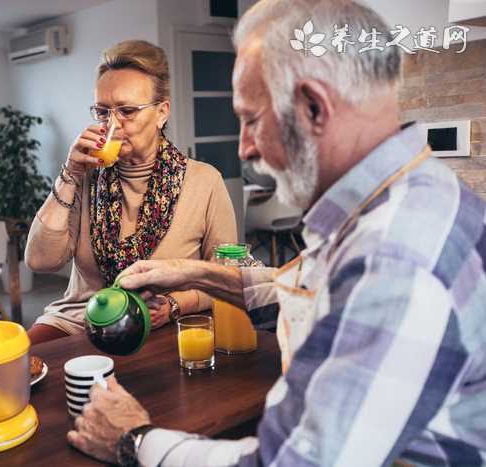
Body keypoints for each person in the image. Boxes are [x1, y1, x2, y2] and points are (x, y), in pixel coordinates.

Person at [66, 1, 486, 465]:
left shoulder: (395, 257)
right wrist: (194, 273)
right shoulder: (402, 193)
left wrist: (135, 440)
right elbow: (312, 293)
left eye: (250, 119)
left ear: (313, 107)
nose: (245, 147)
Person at [25, 40, 268, 344]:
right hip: (83, 317)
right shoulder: (84, 177)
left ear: (161, 113)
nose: (112, 124)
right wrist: (70, 173)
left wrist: (176, 304)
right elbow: (39, 261)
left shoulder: (204, 182)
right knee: (14, 367)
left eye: (127, 111)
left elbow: (226, 277)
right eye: (103, 112)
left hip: (162, 322)